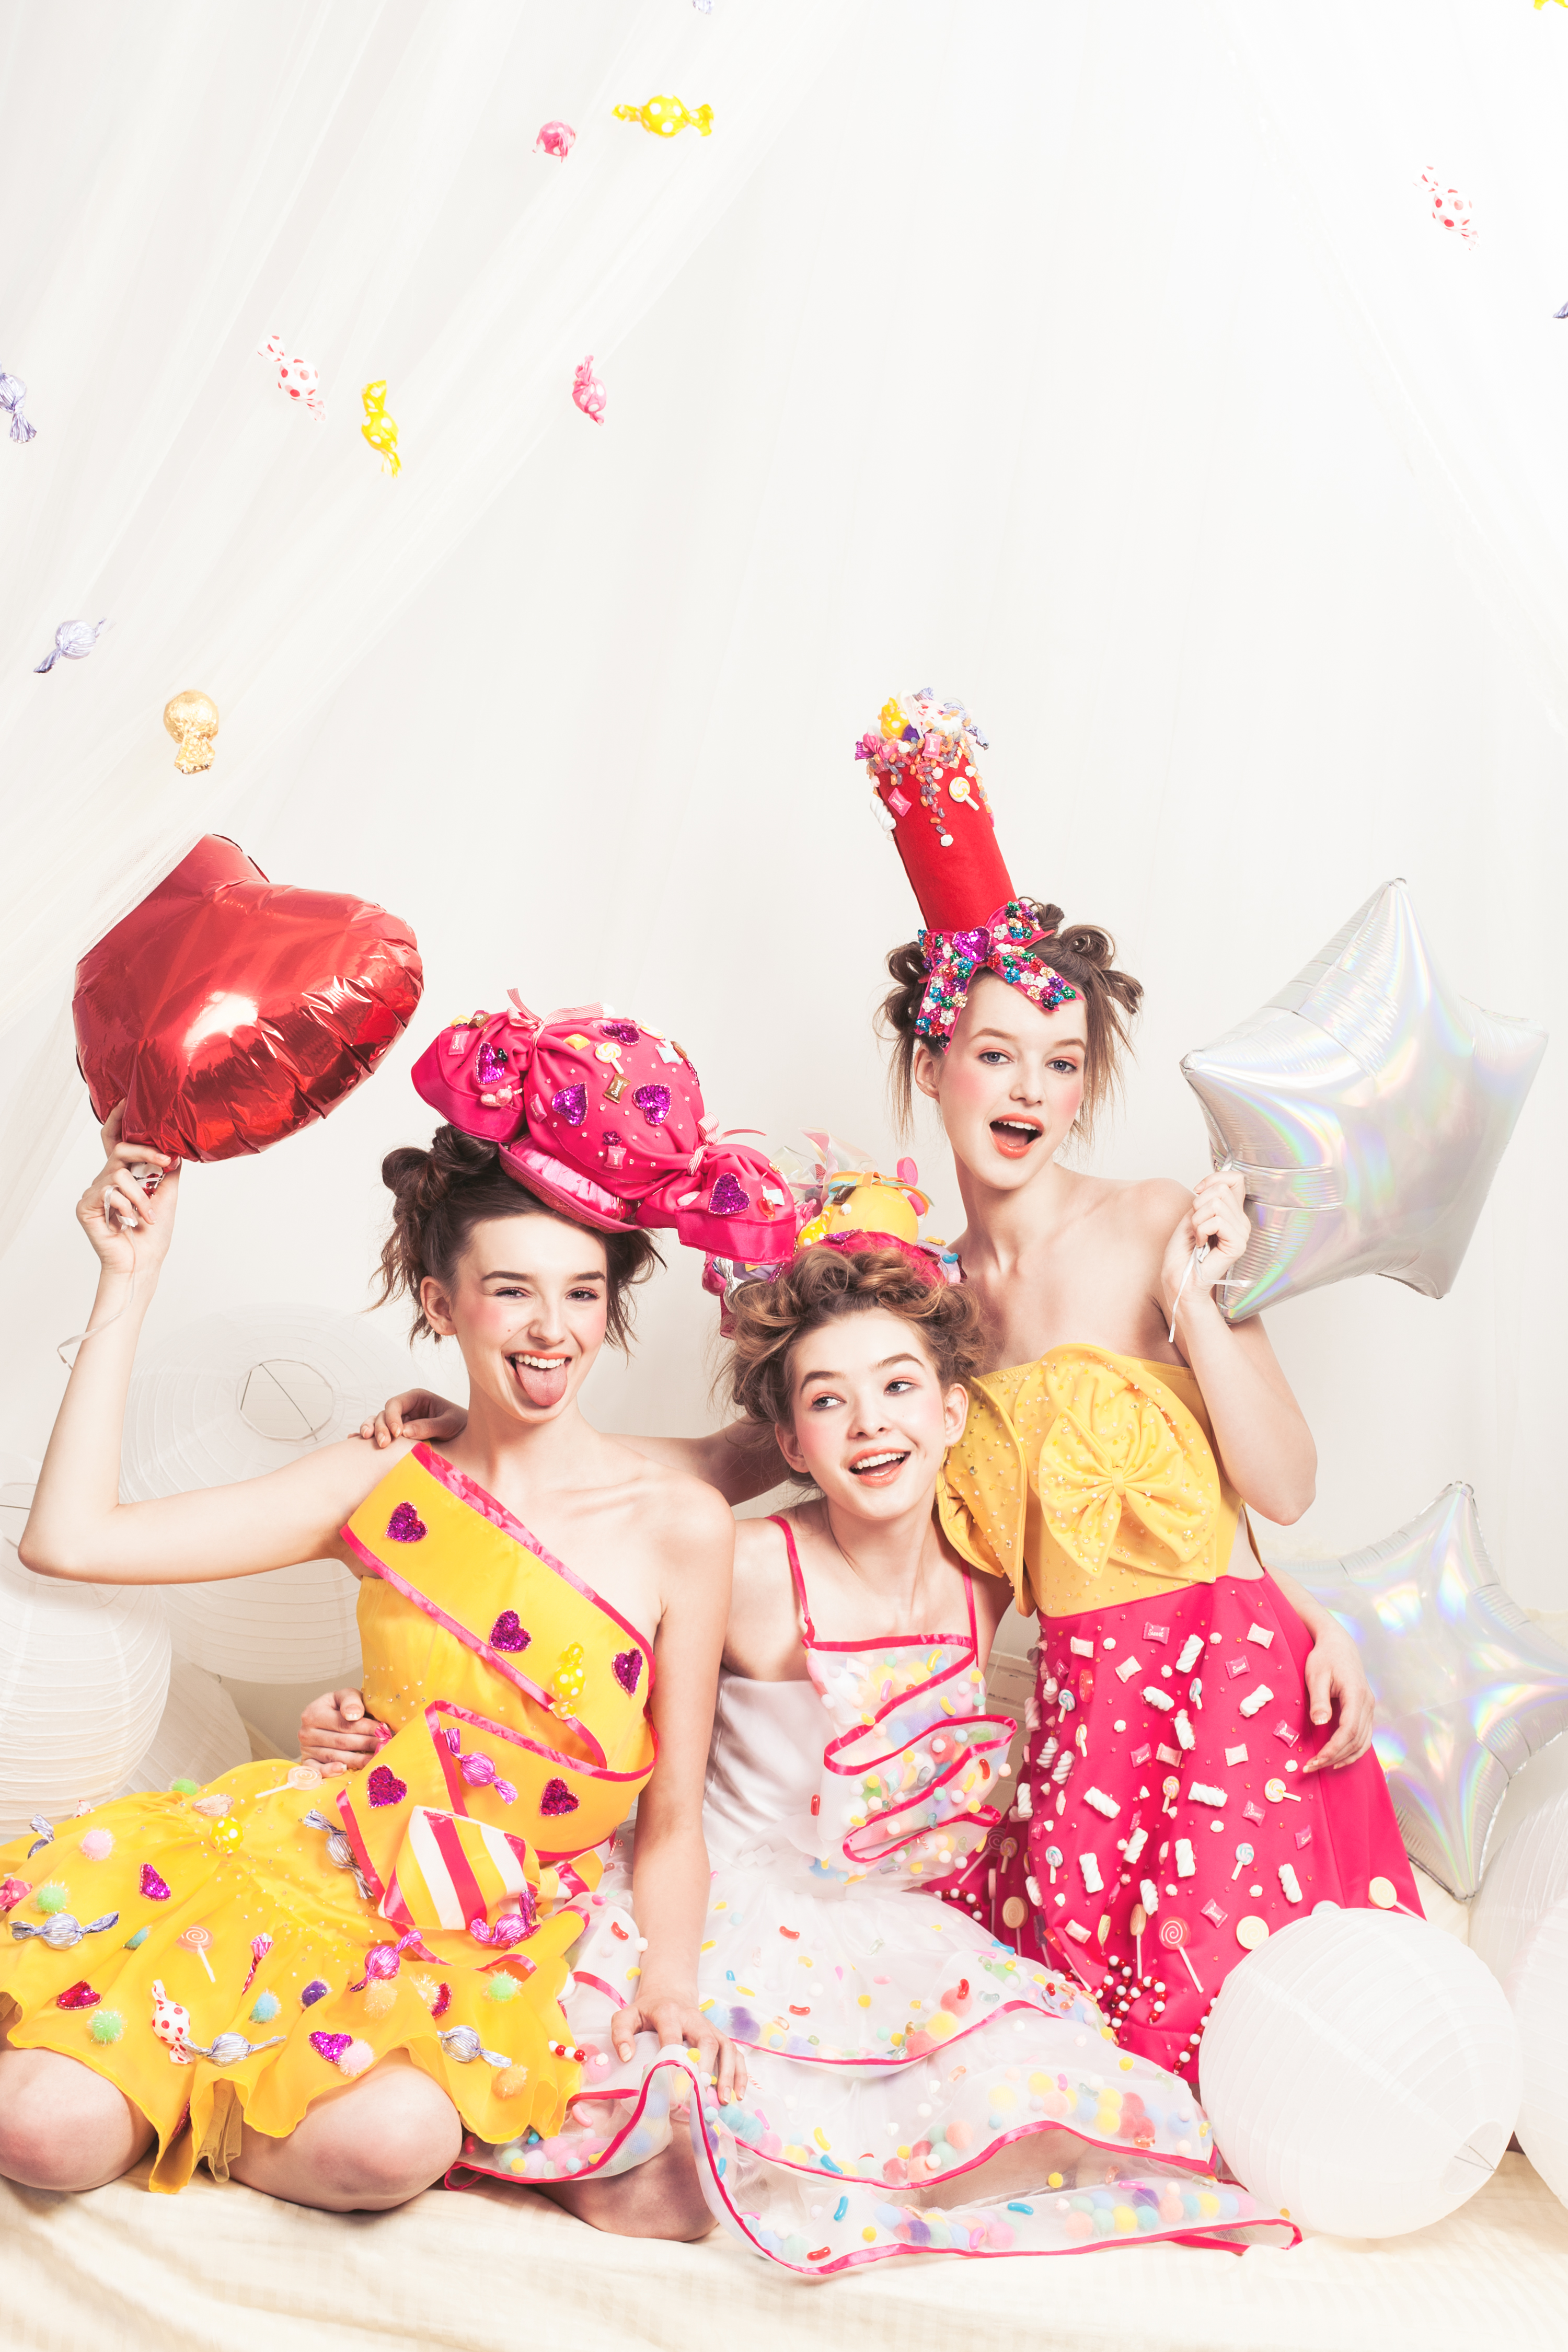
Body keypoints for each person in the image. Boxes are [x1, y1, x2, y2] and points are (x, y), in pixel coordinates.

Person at [342, 1244, 1294, 2274]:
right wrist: (471, 1436)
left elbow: (1176, 1551)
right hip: (723, 1912)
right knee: (671, 2168)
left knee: (1055, 2128)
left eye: (898, 1388)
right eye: (830, 1402)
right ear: (791, 1443)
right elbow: (575, 1555)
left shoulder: (991, 1566)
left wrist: (1304, 1619)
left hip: (902, 1932)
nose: (871, 1422)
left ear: (953, 1414)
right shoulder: (748, 1563)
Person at [0, 990, 771, 2228]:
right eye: (511, 1291)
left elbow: (673, 1816)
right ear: (440, 1301)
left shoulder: (681, 1520)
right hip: (313, 1856)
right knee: (40, 2134)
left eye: (582, 1294)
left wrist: (668, 1984)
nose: (552, 1330)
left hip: (477, 1922)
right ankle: (173, 2075)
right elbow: (71, 1541)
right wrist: (128, 1281)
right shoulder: (383, 1478)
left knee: (390, 2144)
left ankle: (207, 2091)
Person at [858, 688, 1420, 2073]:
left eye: (1061, 1064)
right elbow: (927, 1558)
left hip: (1232, 1691)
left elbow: (1279, 1486)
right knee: (1066, 2072)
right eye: (996, 1054)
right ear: (934, 1064)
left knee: (1227, 2065)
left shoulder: (1155, 1220)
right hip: (1082, 1716)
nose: (1030, 1091)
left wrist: (1193, 1306)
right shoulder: (921, 1306)